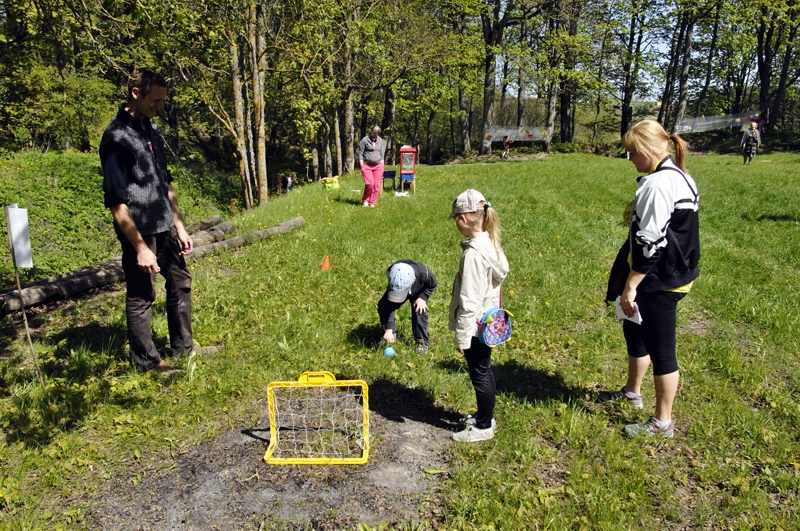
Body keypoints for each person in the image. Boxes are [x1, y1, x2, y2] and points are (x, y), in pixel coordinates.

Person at [100, 68, 217, 373]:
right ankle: (147, 362)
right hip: (138, 229)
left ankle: (184, 347)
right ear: (136, 93)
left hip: (165, 224)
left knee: (180, 282)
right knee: (142, 294)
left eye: (163, 100)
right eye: (156, 99)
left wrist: (179, 225)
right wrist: (140, 247)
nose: (161, 106)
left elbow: (165, 182)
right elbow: (116, 202)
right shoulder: (116, 138)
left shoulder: (152, 130)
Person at [602, 119, 700, 438]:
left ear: (646, 149)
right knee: (635, 330)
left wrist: (631, 285)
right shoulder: (681, 177)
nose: (629, 158)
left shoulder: (658, 185)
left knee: (662, 350)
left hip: (660, 279)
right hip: (671, 271)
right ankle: (633, 392)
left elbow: (650, 242)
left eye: (631, 152)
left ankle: (663, 422)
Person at [448, 189, 509, 442]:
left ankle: (484, 427)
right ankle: (487, 416)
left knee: (480, 374)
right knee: (485, 369)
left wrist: (462, 338)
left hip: (476, 326)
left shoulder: (473, 254)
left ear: (463, 219)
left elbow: (469, 300)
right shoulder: (490, 242)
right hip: (490, 323)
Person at [378, 260, 437, 355]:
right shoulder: (393, 275)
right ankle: (391, 334)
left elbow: (432, 284)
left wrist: (423, 297)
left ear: (414, 279)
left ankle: (421, 341)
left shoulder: (424, 274)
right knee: (384, 306)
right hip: (397, 289)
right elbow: (389, 306)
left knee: (419, 309)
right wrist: (388, 329)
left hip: (418, 291)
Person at [358, 125, 386, 207]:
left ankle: (372, 202)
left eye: (377, 134)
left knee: (376, 185)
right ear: (371, 131)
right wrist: (362, 165)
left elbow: (382, 154)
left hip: (378, 165)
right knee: (369, 184)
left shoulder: (380, 140)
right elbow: (360, 153)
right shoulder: (364, 140)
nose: (375, 135)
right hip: (367, 165)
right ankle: (365, 200)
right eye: (374, 133)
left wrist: (382, 165)